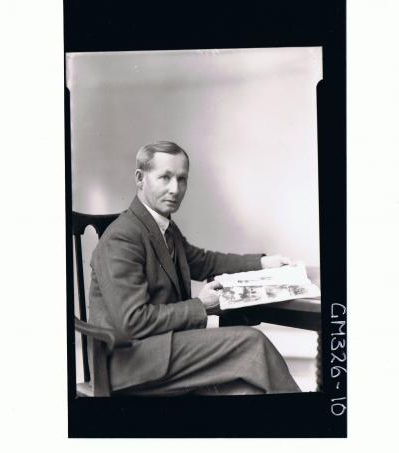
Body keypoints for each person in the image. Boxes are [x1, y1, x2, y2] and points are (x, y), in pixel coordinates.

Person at [87, 141, 301, 395]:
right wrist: (202, 306)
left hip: (161, 347)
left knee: (246, 388)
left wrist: (263, 263)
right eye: (164, 177)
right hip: (128, 362)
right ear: (140, 178)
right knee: (251, 343)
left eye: (182, 179)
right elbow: (132, 322)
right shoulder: (121, 237)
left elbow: (204, 262)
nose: (174, 189)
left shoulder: (162, 226)